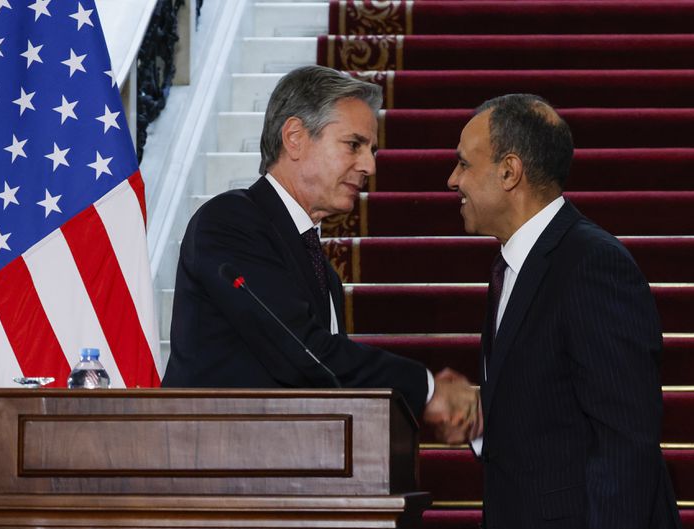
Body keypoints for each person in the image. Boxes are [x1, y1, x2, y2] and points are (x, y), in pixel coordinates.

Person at [162, 65, 477, 425]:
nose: (370, 166)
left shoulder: (318, 264)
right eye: (354, 145)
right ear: (294, 137)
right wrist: (427, 389)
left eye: (371, 149)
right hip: (213, 464)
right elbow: (300, 349)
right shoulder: (229, 222)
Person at [441, 94, 685, 529]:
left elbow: (625, 446)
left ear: (509, 171)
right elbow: (553, 413)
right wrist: (481, 419)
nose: (452, 180)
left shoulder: (591, 266)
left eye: (463, 164)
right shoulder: (515, 265)